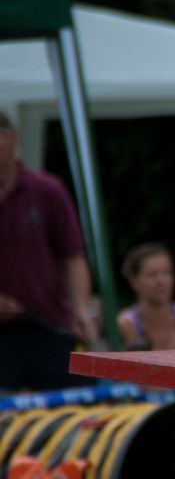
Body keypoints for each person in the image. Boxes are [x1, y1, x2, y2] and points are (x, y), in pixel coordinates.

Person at [0, 111, 98, 393]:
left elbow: (73, 256)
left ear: (12, 139)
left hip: (49, 323)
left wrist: (80, 309)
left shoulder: (46, 190)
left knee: (74, 406)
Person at [117, 243, 175, 350]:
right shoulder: (127, 322)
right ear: (133, 281)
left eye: (166, 273)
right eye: (152, 275)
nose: (161, 281)